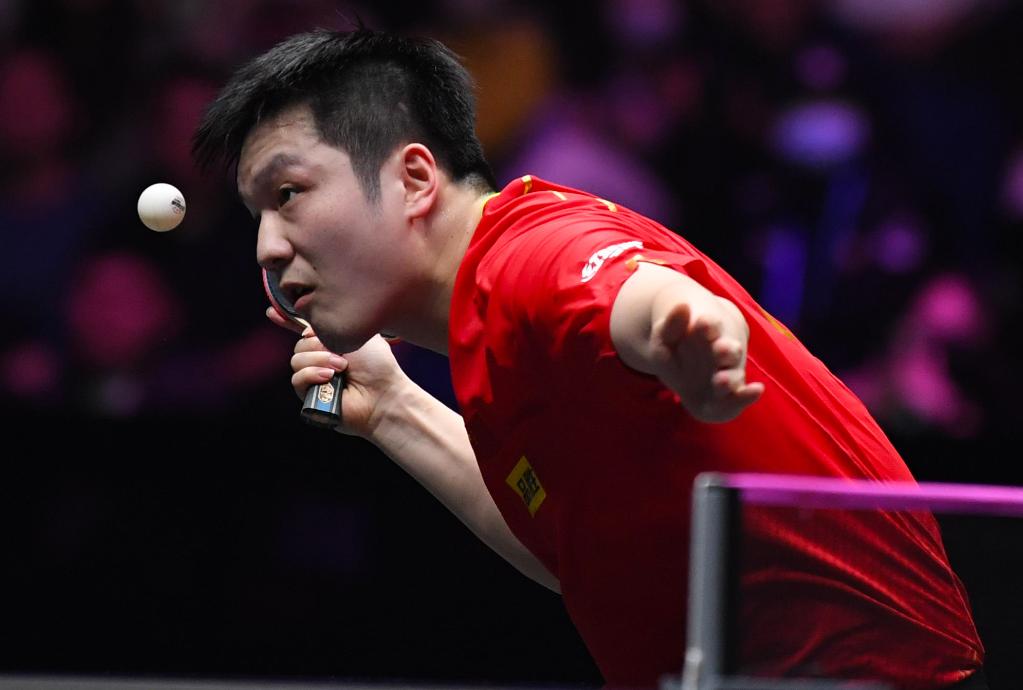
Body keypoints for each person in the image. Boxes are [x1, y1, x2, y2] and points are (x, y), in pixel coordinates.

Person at [193, 29, 986, 690]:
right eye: (257, 213)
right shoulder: (489, 340)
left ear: (412, 178)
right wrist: (393, 409)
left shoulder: (530, 255)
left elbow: (625, 294)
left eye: (287, 195)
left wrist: (680, 332)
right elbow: (572, 557)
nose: (267, 247)